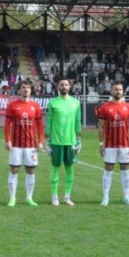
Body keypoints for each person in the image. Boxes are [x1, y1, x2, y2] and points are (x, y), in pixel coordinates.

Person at [96, 80, 129, 206]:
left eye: (120, 89)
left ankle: (126, 197)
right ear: (111, 91)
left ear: (123, 91)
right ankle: (105, 197)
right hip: (109, 145)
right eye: (115, 89)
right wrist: (101, 144)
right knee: (108, 169)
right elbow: (101, 126)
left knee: (125, 169)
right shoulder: (104, 107)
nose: (118, 91)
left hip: (125, 145)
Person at [4, 80, 44, 207]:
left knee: (30, 170)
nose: (26, 89)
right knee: (14, 170)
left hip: (31, 145)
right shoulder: (13, 105)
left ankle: (29, 198)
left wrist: (41, 141)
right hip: (16, 144)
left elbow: (39, 126)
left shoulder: (35, 106)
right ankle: (12, 198)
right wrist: (7, 140)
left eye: (28, 87)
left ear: (31, 90)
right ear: (19, 90)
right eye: (23, 87)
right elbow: (7, 124)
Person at [44, 77, 82, 206]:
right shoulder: (53, 103)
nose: (64, 87)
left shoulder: (76, 103)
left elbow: (78, 121)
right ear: (57, 87)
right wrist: (47, 140)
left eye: (66, 84)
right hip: (56, 141)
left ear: (69, 87)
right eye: (61, 85)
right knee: (55, 168)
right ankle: (54, 197)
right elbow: (48, 122)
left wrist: (79, 139)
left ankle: (67, 196)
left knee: (69, 168)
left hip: (71, 141)